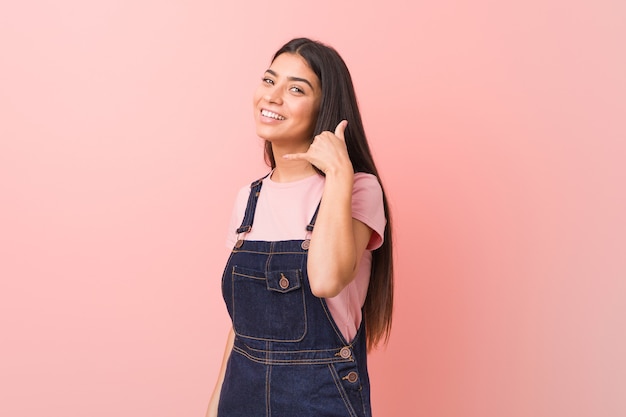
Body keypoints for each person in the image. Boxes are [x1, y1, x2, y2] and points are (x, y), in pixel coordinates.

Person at [206, 37, 394, 417]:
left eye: (295, 89)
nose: (273, 97)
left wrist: (339, 173)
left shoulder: (359, 188)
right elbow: (241, 329)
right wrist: (213, 408)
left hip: (319, 399)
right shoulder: (249, 198)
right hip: (240, 396)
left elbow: (325, 280)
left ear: (324, 109)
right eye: (269, 81)